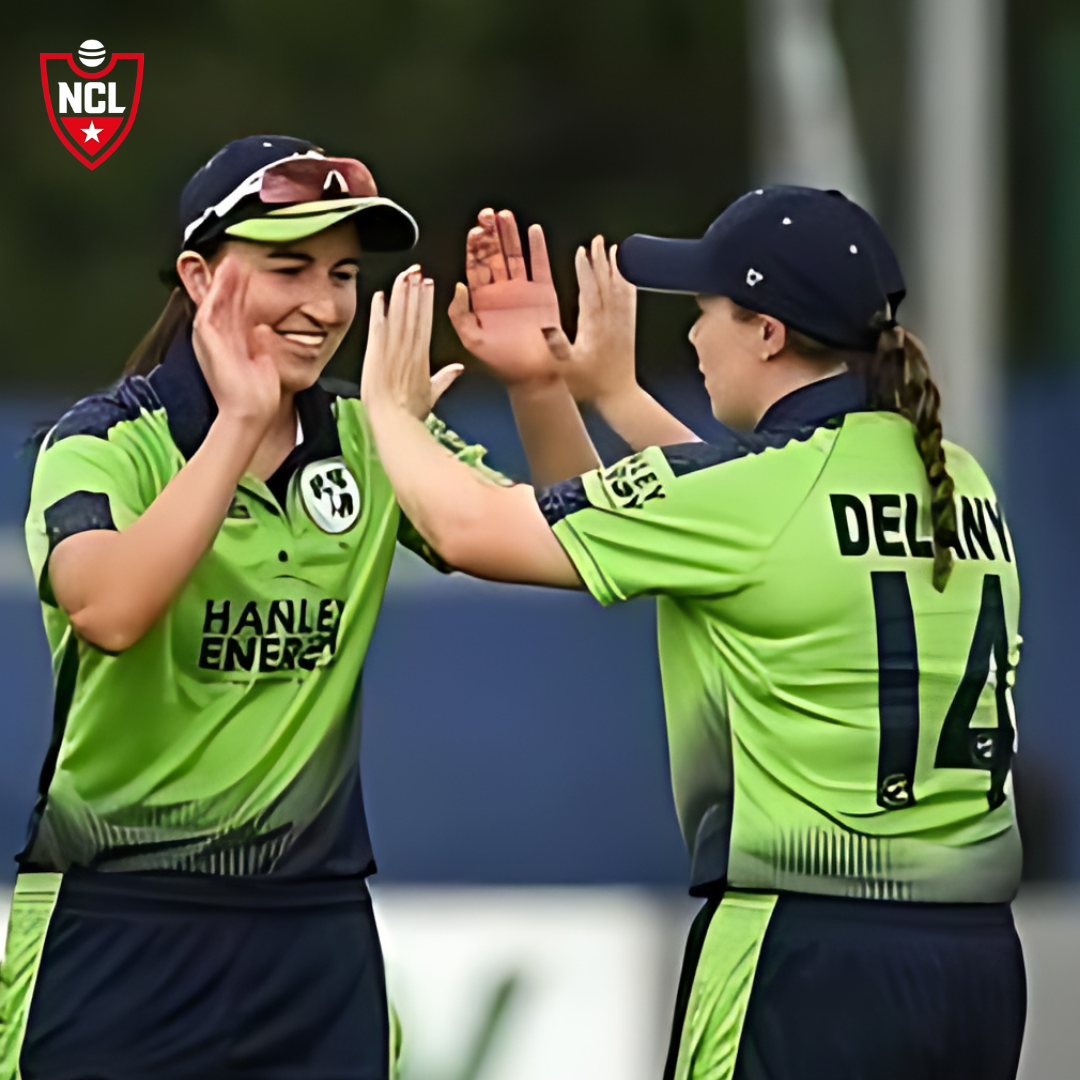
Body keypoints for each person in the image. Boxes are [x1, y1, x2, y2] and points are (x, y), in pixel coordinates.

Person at [362, 186, 1026, 1080]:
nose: (692, 335)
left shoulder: (763, 498)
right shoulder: (957, 478)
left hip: (804, 948)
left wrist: (387, 413)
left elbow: (470, 531)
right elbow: (728, 524)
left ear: (768, 333)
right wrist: (570, 389)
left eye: (708, 309)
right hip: (977, 965)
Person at [0, 134, 515, 1080]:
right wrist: (238, 423)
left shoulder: (373, 435)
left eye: (345, 275)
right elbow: (107, 609)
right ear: (200, 277)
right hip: (117, 927)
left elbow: (565, 545)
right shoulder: (100, 443)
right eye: (288, 268)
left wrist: (548, 387)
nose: (324, 307)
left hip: (312, 942)